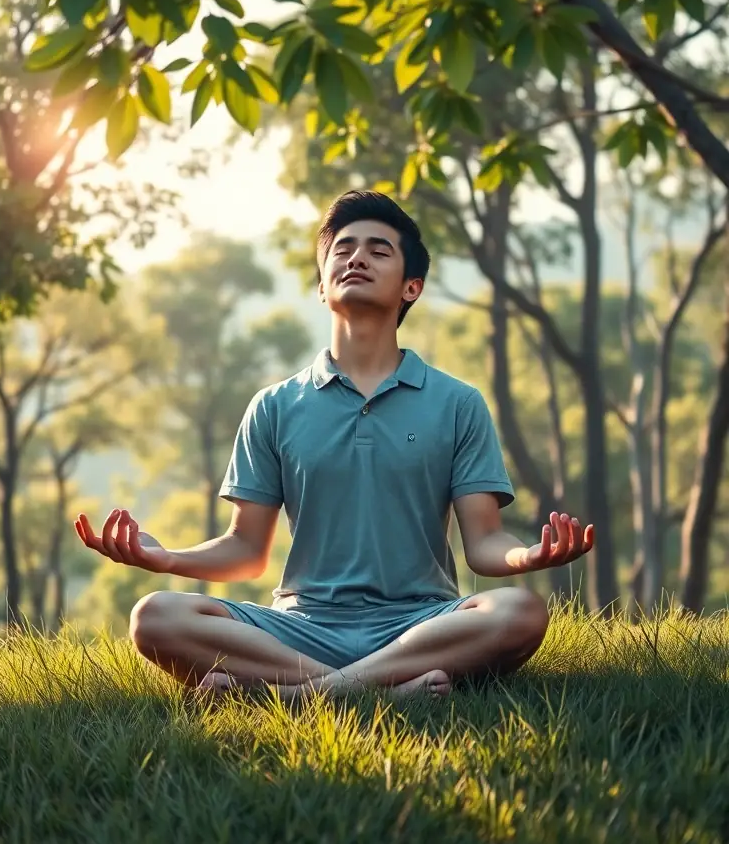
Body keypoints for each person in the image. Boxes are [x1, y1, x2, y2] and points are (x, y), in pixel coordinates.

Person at [75, 190, 593, 700]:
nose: (356, 258)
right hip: (301, 627)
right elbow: (246, 551)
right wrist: (166, 558)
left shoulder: (457, 403)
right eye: (342, 250)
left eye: (378, 250)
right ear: (322, 287)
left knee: (518, 612)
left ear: (411, 287)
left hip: (419, 623)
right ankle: (381, 689)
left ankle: (294, 693)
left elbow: (483, 543)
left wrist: (528, 555)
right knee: (156, 616)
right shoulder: (275, 406)